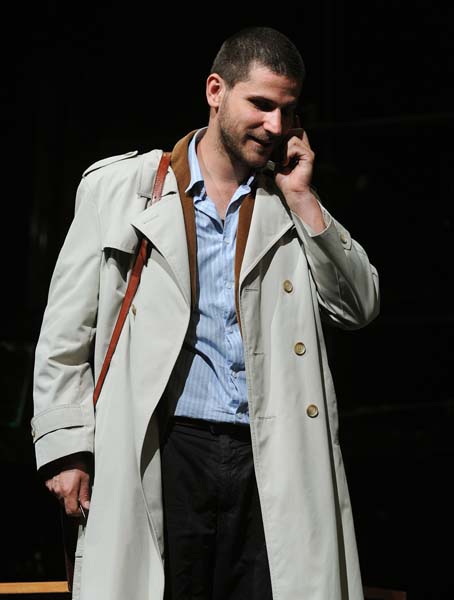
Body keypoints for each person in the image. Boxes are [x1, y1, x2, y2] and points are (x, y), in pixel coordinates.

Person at [32, 25, 379, 600]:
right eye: (261, 104)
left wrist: (302, 197)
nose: (275, 125)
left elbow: (359, 306)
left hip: (268, 455)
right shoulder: (122, 188)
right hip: (166, 446)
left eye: (287, 111)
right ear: (216, 91)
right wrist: (66, 447)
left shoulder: (289, 200)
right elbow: (67, 331)